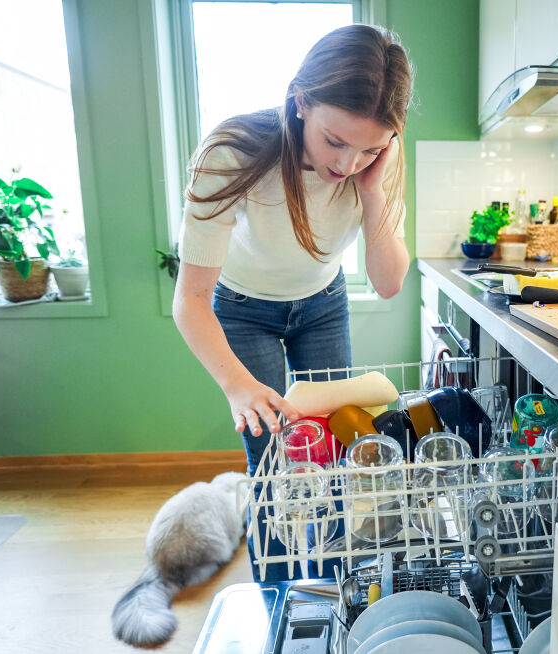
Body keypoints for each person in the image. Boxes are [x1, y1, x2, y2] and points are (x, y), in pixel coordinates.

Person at [172, 24, 413, 580]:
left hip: (322, 302)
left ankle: (332, 586)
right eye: (335, 141)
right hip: (239, 306)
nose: (349, 164)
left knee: (331, 449)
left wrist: (374, 191)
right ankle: (278, 600)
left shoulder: (376, 162)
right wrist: (238, 388)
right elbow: (191, 299)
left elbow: (389, 282)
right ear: (301, 101)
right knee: (273, 461)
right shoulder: (232, 154)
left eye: (369, 148)